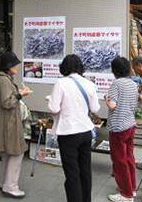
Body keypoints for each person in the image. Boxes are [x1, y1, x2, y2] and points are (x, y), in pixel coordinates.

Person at [47, 54, 100, 202]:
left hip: (68, 133)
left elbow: (53, 108)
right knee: (85, 170)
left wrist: (51, 100)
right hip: (86, 132)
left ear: (64, 67)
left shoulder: (61, 83)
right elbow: (95, 107)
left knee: (72, 173)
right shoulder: (89, 84)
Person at [0, 51, 30, 198]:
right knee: (16, 152)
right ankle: (11, 186)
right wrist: (21, 94)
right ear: (9, 66)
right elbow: (7, 102)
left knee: (9, 153)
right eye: (15, 65)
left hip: (6, 122)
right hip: (9, 123)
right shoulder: (4, 80)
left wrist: (18, 92)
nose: (17, 67)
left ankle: (5, 183)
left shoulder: (2, 79)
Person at [105, 57, 138, 202]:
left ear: (114, 70)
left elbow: (112, 105)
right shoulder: (132, 83)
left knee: (119, 160)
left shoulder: (116, 84)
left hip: (118, 127)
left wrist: (106, 99)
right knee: (129, 157)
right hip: (130, 124)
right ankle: (132, 188)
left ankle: (126, 194)